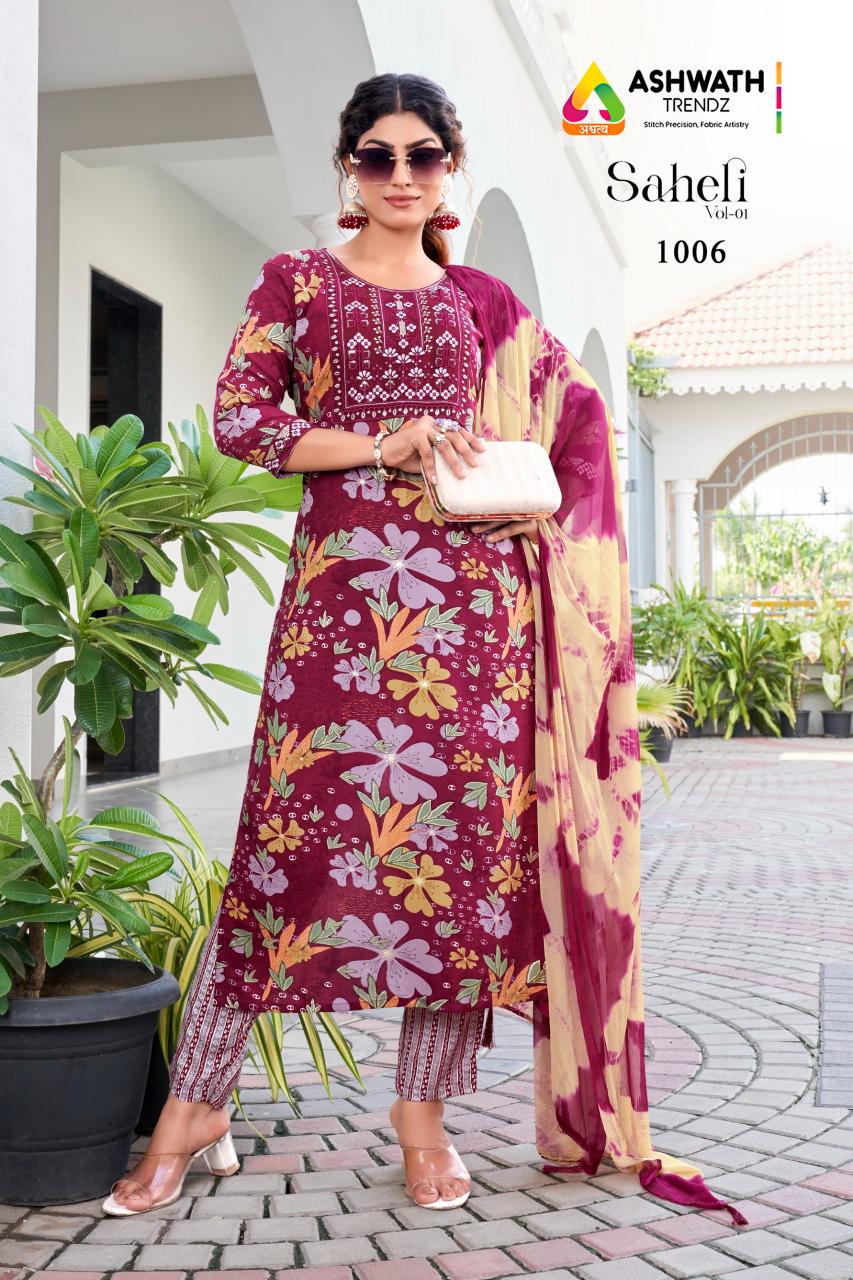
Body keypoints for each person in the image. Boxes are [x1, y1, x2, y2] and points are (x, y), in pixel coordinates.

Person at [103, 72, 548, 1218]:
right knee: (282, 849)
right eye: (377, 155)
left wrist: (526, 501)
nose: (401, 175)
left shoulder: (486, 299)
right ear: (349, 166)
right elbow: (241, 420)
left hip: (469, 616)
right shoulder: (296, 283)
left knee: (453, 861)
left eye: (422, 155)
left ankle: (422, 1116)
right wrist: (379, 442)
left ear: (450, 168)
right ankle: (195, 1105)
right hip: (341, 610)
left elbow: (552, 430)